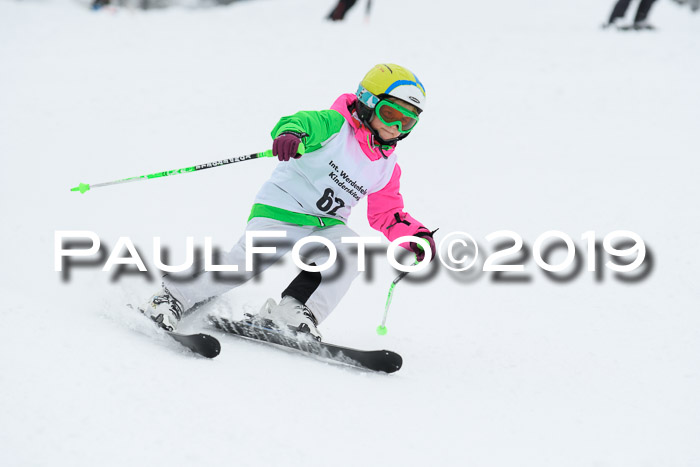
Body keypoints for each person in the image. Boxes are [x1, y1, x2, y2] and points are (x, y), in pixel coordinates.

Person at [139, 64, 437, 341]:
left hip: (325, 226)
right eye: (390, 114)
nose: (396, 127)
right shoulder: (334, 125)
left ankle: (293, 312)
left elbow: (388, 213)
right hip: (282, 210)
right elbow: (299, 122)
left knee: (351, 251)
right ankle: (170, 297)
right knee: (244, 264)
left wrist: (415, 236)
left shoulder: (387, 167)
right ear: (367, 102)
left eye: (407, 120)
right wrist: (291, 135)